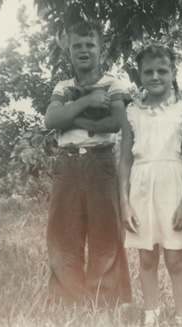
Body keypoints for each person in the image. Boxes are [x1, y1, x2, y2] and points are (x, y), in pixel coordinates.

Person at [43, 21, 132, 307]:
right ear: (68, 51)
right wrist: (88, 102)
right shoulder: (63, 86)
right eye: (77, 46)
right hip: (66, 166)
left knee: (105, 235)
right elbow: (51, 120)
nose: (83, 50)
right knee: (63, 234)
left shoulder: (113, 83)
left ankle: (103, 303)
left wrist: (71, 116)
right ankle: (67, 301)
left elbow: (115, 123)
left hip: (100, 164)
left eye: (89, 45)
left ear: (100, 49)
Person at [119, 44, 182, 327]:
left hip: (173, 191)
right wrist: (125, 202)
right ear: (139, 75)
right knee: (147, 257)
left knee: (175, 259)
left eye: (162, 71)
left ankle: (181, 318)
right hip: (141, 190)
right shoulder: (131, 113)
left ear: (173, 72)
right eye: (148, 71)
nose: (155, 76)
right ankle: (150, 315)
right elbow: (125, 161)